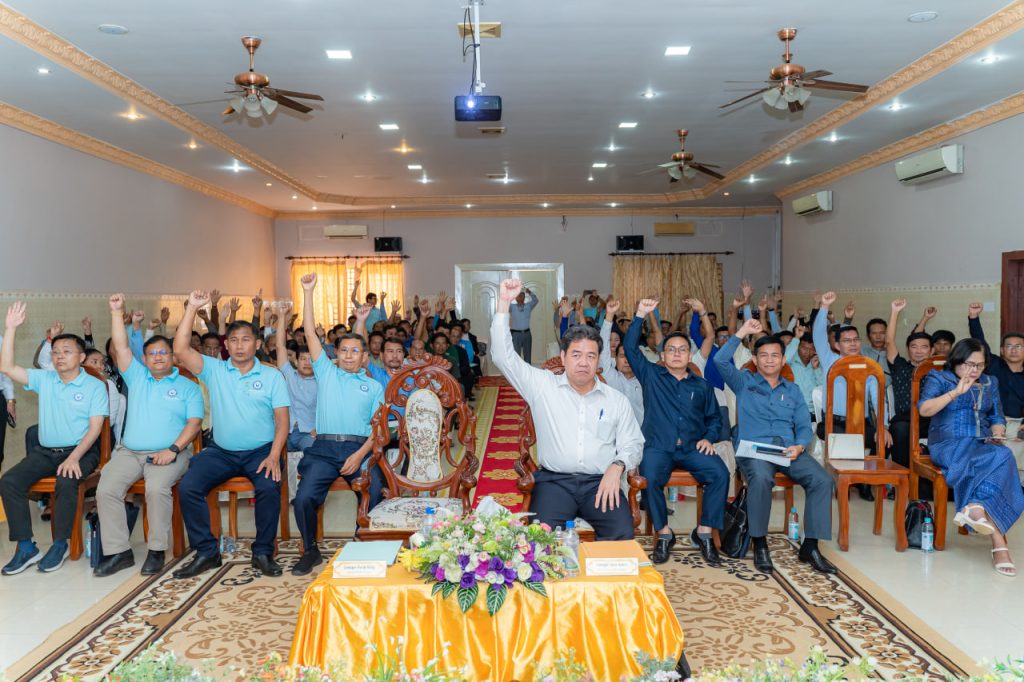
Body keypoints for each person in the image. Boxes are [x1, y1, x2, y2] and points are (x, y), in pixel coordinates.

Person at [491, 278, 643, 540]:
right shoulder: (543, 386)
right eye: (576, 355)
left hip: (600, 482)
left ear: (599, 361)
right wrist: (504, 303)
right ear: (563, 357)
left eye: (591, 356)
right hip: (554, 483)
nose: (583, 362)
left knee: (621, 533)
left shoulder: (616, 400)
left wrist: (617, 466)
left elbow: (634, 443)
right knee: (540, 541)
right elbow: (503, 357)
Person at [171, 291, 291, 579]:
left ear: (257, 344)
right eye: (234, 340)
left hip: (261, 451)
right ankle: (206, 552)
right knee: (188, 487)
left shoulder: (272, 376)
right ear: (226, 344)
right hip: (222, 451)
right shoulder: (214, 370)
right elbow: (181, 349)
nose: (239, 346)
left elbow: (282, 421)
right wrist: (192, 308)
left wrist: (274, 456)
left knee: (268, 487)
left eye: (246, 340)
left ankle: (262, 552)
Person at [93, 294, 204, 577]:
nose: (158, 357)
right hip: (130, 452)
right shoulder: (137, 377)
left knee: (156, 489)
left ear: (173, 357)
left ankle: (156, 550)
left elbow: (194, 424)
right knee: (106, 489)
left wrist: (173, 449)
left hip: (170, 452)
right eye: (152, 354)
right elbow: (120, 346)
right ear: (144, 359)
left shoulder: (189, 386)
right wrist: (116, 312)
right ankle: (119, 552)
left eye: (163, 353)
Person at [715, 320, 836, 574]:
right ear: (755, 360)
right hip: (754, 451)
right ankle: (760, 543)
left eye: (775, 356)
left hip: (787, 450)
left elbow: (803, 425)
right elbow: (720, 361)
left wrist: (800, 446)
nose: (769, 360)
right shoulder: (744, 382)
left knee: (823, 480)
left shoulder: (792, 390)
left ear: (783, 360)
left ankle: (810, 545)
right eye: (764, 355)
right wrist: (742, 332)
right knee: (760, 479)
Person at [0, 302, 109, 574]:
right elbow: (7, 367)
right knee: (9, 481)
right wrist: (10, 328)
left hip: (81, 451)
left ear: (81, 357)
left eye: (67, 351)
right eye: (56, 352)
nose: (59, 357)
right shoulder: (45, 379)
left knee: (66, 479)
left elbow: (95, 429)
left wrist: (74, 458)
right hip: (46, 452)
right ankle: (26, 547)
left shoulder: (95, 386)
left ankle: (61, 544)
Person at [291, 274, 386, 575]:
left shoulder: (373, 387)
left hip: (359, 449)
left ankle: (364, 542)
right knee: (303, 498)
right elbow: (309, 333)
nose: (348, 355)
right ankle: (310, 550)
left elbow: (378, 430)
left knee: (376, 489)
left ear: (364, 357)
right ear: (336, 354)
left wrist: (359, 456)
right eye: (343, 350)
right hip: (324, 450)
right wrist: (308, 292)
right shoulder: (326, 373)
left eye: (355, 351)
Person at [625, 298, 728, 566]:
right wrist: (640, 315)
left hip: (693, 447)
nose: (677, 354)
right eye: (671, 350)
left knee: (720, 473)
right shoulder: (651, 375)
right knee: (649, 478)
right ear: (662, 356)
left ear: (689, 355)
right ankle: (664, 533)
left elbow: (714, 418)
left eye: (683, 350)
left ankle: (704, 532)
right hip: (659, 446)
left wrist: (709, 438)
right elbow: (630, 348)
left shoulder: (701, 385)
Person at [919, 338, 1024, 577]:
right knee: (989, 459)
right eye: (969, 364)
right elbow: (924, 409)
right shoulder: (939, 378)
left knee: (1004, 454)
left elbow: (996, 416)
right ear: (956, 361)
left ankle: (975, 507)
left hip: (981, 442)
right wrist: (956, 392)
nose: (975, 370)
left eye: (980, 365)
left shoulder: (990, 381)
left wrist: (998, 432)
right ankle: (998, 544)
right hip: (948, 443)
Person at [814, 291, 890, 501]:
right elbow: (818, 335)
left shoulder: (869, 367)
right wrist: (824, 307)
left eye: (856, 339)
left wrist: (883, 426)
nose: (853, 344)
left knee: (881, 439)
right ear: (837, 345)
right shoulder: (830, 360)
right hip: (834, 422)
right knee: (843, 442)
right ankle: (844, 482)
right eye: (847, 341)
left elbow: (878, 398)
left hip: (861, 422)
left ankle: (866, 482)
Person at [885, 300, 935, 497]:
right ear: (908, 350)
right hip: (905, 420)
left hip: (931, 419)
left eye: (924, 347)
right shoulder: (900, 367)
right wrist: (895, 312)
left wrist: (925, 319)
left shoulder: (939, 371)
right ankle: (902, 484)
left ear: (931, 350)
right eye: (914, 346)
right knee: (900, 430)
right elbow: (890, 342)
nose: (919, 350)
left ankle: (935, 485)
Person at [968, 302, 1024, 474]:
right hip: (995, 421)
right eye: (1009, 346)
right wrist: (974, 317)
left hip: (1020, 422)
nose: (1014, 350)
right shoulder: (994, 366)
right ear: (1001, 350)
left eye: (1019, 346)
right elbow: (979, 341)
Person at [273, 304, 317, 453]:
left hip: (308, 433)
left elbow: (331, 409)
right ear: (296, 362)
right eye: (303, 359)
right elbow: (280, 346)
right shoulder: (288, 374)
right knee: (273, 458)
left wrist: (319, 429)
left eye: (311, 360)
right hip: (285, 432)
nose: (307, 363)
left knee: (313, 457)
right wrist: (282, 317)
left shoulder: (322, 382)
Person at [598, 297, 643, 422]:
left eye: (630, 357)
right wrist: (609, 315)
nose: (627, 360)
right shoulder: (611, 376)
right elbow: (603, 349)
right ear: (615, 359)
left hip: (640, 432)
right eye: (622, 356)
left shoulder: (645, 380)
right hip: (614, 431)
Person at [508, 286, 539, 363]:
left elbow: (536, 300)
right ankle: (517, 370)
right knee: (516, 356)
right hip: (516, 335)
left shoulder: (528, 305)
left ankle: (527, 370)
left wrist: (529, 292)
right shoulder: (512, 307)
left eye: (522, 295)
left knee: (527, 356)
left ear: (524, 297)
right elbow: (504, 303)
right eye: (518, 295)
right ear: (515, 298)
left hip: (527, 334)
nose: (520, 296)